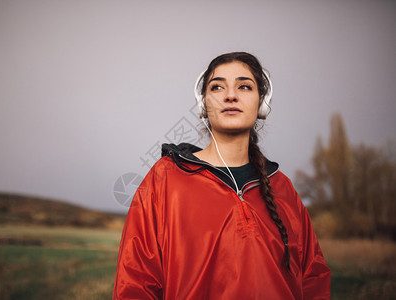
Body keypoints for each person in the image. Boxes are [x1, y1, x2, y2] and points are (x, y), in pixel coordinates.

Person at [113, 52, 331, 299]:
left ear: (262, 103)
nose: (230, 95)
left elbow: (314, 280)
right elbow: (135, 282)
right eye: (217, 87)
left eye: (244, 86)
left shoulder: (283, 188)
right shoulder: (164, 178)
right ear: (203, 104)